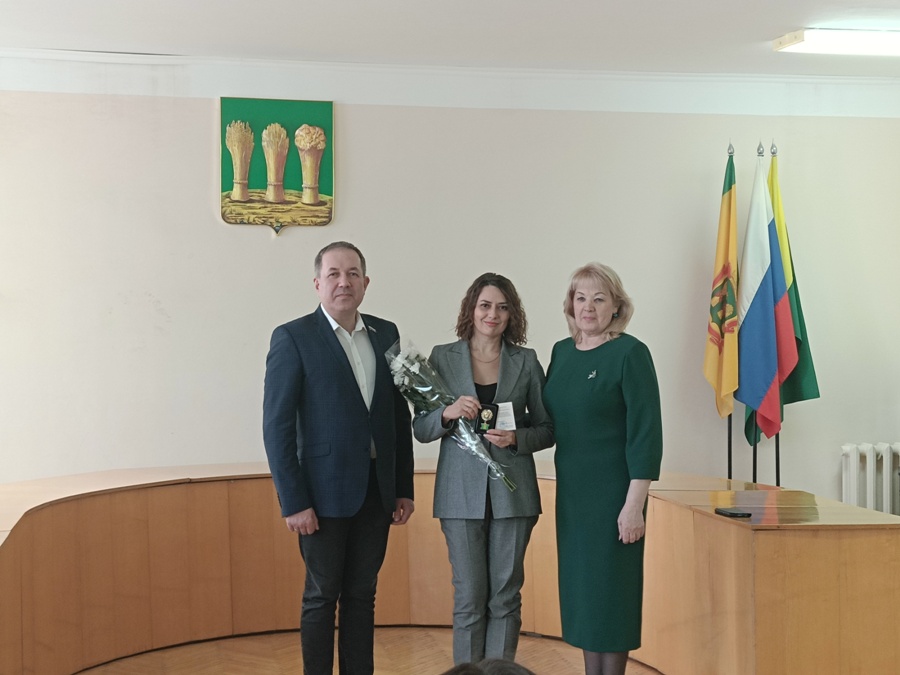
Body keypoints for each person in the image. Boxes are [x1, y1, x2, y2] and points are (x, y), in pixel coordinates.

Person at [263, 241, 415, 675]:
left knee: (362, 596)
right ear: (317, 284)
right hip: (321, 497)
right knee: (321, 596)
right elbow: (276, 427)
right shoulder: (293, 337)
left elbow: (396, 417)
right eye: (333, 274)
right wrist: (293, 501)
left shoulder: (386, 333)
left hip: (376, 492)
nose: (343, 282)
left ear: (366, 282)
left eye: (352, 274)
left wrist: (402, 487)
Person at [413, 273, 554, 665]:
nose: (493, 314)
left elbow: (548, 428)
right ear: (471, 309)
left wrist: (516, 438)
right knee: (469, 598)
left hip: (514, 495)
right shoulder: (443, 357)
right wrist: (447, 412)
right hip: (459, 496)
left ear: (512, 314)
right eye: (486, 305)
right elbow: (421, 428)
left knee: (505, 598)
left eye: (502, 307)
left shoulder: (526, 361)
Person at [542, 263, 663, 675]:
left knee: (612, 598)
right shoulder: (561, 352)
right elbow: (551, 424)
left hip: (615, 498)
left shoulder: (630, 353)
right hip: (573, 499)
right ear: (570, 305)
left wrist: (634, 506)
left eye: (599, 298)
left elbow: (646, 434)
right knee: (586, 598)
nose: (588, 307)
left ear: (616, 306)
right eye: (581, 298)